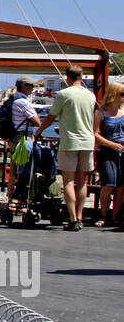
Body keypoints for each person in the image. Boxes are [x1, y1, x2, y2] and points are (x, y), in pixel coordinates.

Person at [35, 66, 96, 230]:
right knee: (82, 181)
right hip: (88, 141)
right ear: (81, 77)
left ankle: (73, 218)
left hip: (70, 141)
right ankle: (81, 216)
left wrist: (39, 131)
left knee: (68, 181)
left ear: (67, 78)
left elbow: (50, 117)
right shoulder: (91, 95)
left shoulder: (64, 94)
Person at [3, 77, 41, 209]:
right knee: (23, 171)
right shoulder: (23, 102)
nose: (32, 89)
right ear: (24, 86)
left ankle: (10, 201)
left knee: (13, 171)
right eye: (31, 86)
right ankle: (19, 200)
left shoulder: (11, 100)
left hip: (13, 138)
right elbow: (37, 122)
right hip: (24, 139)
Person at [93, 81, 124, 227]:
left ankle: (115, 216)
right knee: (108, 184)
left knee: (121, 186)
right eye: (122, 94)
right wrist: (112, 145)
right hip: (107, 151)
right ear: (114, 95)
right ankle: (104, 215)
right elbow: (95, 134)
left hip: (122, 151)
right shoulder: (101, 112)